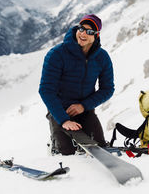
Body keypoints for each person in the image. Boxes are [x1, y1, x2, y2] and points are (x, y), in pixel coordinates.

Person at [39, 14, 114, 155]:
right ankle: (54, 143)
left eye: (90, 32)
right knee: (67, 151)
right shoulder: (57, 54)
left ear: (96, 36)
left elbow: (107, 89)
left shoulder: (102, 57)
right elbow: (46, 90)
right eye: (81, 28)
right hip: (59, 110)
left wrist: (83, 106)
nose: (83, 34)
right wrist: (64, 120)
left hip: (85, 110)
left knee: (99, 146)